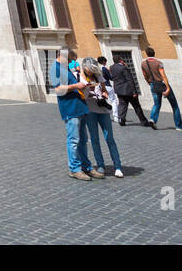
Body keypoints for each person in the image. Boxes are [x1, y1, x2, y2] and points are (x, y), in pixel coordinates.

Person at [50, 48, 99, 181]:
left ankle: (86, 166)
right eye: (70, 60)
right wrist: (76, 86)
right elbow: (58, 89)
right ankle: (74, 169)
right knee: (74, 140)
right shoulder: (55, 68)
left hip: (79, 107)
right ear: (62, 56)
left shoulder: (64, 68)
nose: (71, 63)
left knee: (83, 140)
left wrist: (85, 86)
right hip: (70, 108)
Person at [81, 58, 123, 177]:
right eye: (90, 70)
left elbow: (105, 91)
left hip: (102, 109)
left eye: (93, 70)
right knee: (94, 139)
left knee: (109, 138)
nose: (91, 72)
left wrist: (103, 93)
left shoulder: (98, 76)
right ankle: (100, 165)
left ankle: (117, 166)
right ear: (85, 67)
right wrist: (87, 91)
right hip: (90, 110)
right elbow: (80, 95)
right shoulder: (80, 77)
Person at [142, 47, 182, 131]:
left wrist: (149, 83)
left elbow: (145, 75)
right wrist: (168, 87)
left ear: (147, 54)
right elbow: (163, 75)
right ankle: (178, 126)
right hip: (162, 84)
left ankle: (152, 119)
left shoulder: (143, 63)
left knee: (156, 104)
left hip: (153, 85)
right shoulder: (159, 63)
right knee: (174, 105)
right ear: (154, 53)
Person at [110, 55, 151, 127]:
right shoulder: (123, 68)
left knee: (122, 105)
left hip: (119, 90)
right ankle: (144, 122)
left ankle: (121, 119)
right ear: (120, 60)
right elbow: (130, 80)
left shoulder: (112, 68)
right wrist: (134, 91)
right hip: (128, 90)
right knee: (137, 106)